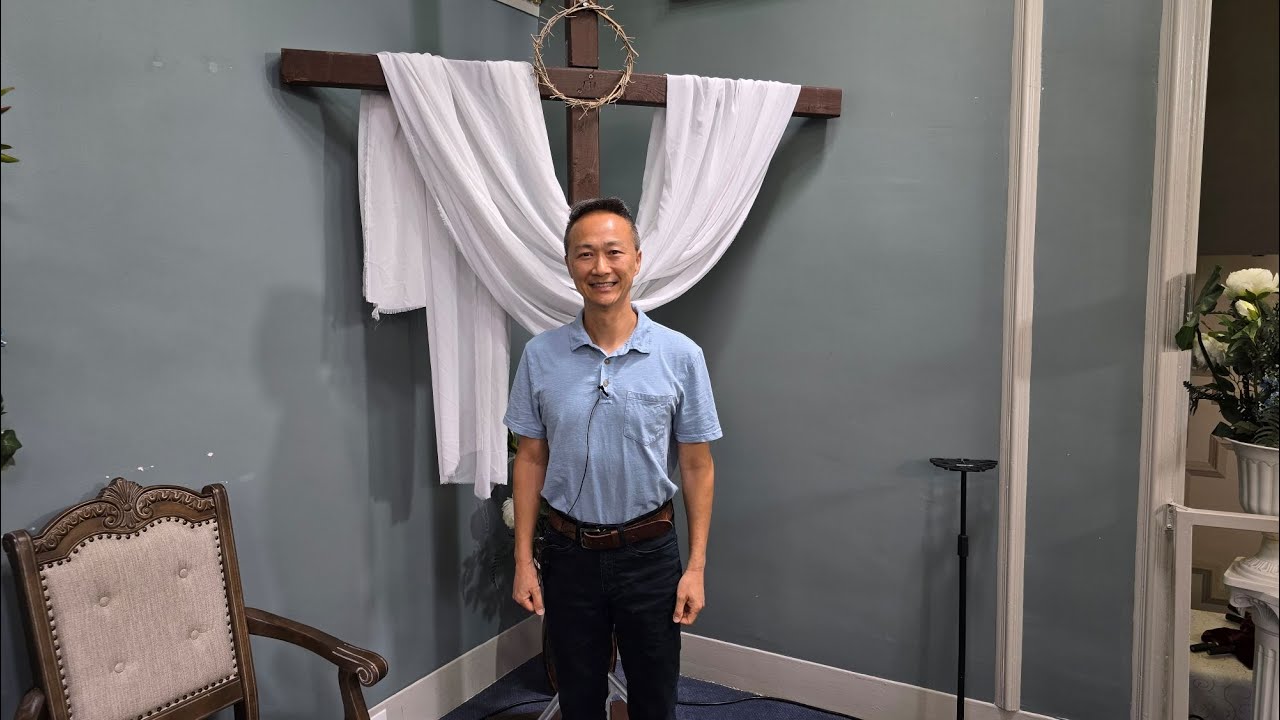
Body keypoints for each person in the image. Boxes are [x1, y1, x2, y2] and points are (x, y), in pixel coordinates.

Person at [505, 197, 721, 720]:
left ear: (637, 260)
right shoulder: (540, 355)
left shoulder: (680, 356)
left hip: (649, 555)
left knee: (654, 698)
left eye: (613, 252)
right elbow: (529, 458)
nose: (600, 267)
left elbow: (698, 465)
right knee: (577, 697)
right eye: (585, 254)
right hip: (568, 554)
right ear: (569, 265)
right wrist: (522, 560)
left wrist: (695, 567)